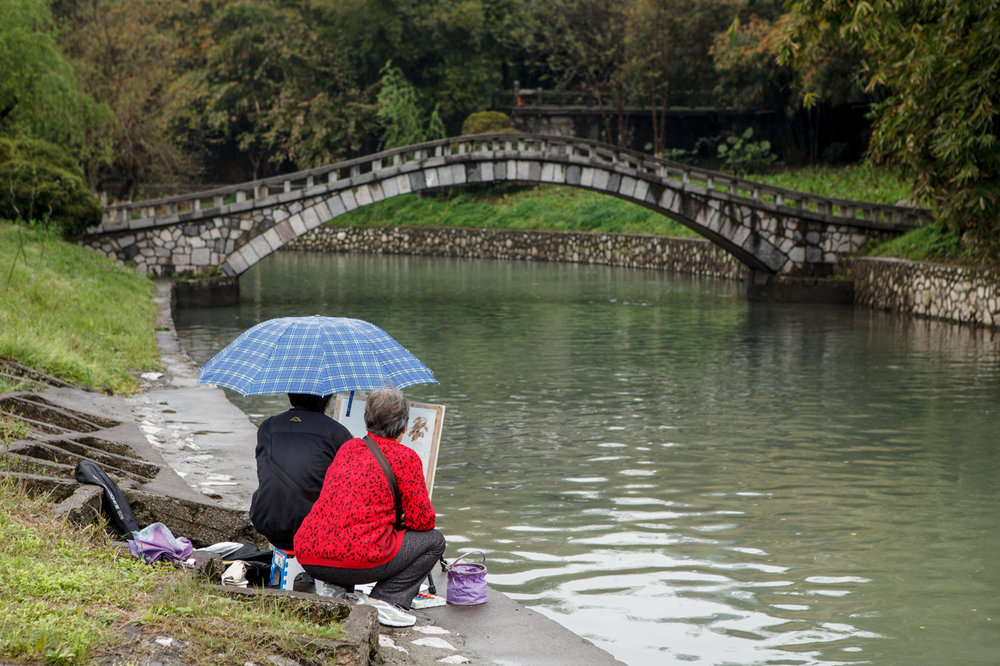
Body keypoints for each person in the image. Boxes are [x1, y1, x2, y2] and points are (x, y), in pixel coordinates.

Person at [294, 386, 446, 627]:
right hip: (358, 559)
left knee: (354, 529)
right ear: (404, 426)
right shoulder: (406, 458)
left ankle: (337, 589)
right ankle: (387, 600)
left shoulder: (347, 448)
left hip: (310, 553)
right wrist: (402, 518)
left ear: (367, 421)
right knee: (434, 541)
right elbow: (424, 522)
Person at [249, 393, 352, 551]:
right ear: (327, 400)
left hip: (268, 522)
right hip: (313, 530)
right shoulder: (338, 433)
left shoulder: (267, 426)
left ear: (291, 395)